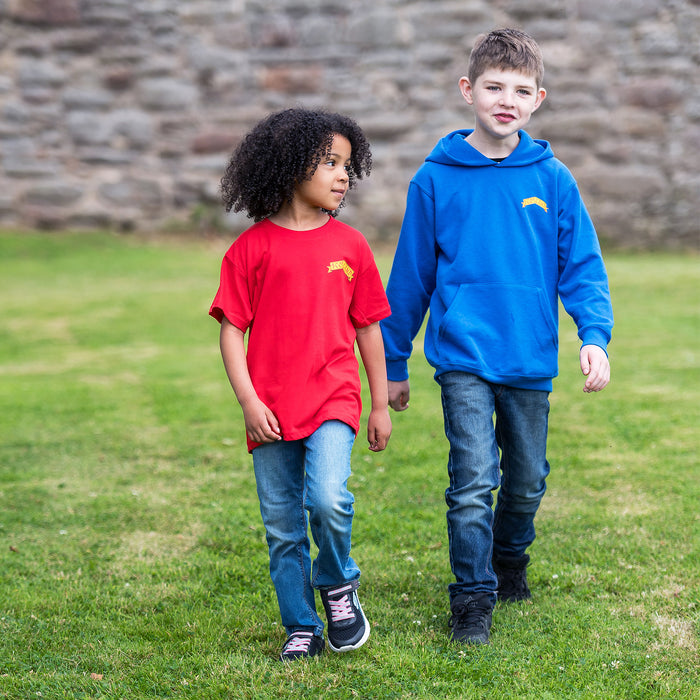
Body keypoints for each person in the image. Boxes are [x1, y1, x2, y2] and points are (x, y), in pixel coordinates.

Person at [380, 28, 613, 646]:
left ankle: (510, 559)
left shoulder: (554, 177)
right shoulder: (434, 180)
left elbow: (581, 267)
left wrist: (593, 335)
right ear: (468, 91)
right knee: (472, 479)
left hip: (529, 355)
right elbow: (410, 278)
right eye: (493, 87)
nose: (506, 99)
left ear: (538, 99)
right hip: (462, 355)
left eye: (520, 89)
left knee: (528, 478)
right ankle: (472, 597)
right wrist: (394, 361)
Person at [209, 108, 392, 662]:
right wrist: (248, 402)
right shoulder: (249, 250)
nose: (344, 176)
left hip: (334, 397)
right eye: (331, 163)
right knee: (284, 529)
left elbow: (368, 329)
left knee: (329, 498)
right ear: (290, 167)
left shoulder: (353, 246)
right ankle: (301, 626)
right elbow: (231, 332)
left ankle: (338, 584)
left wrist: (379, 403)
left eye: (347, 165)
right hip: (270, 410)